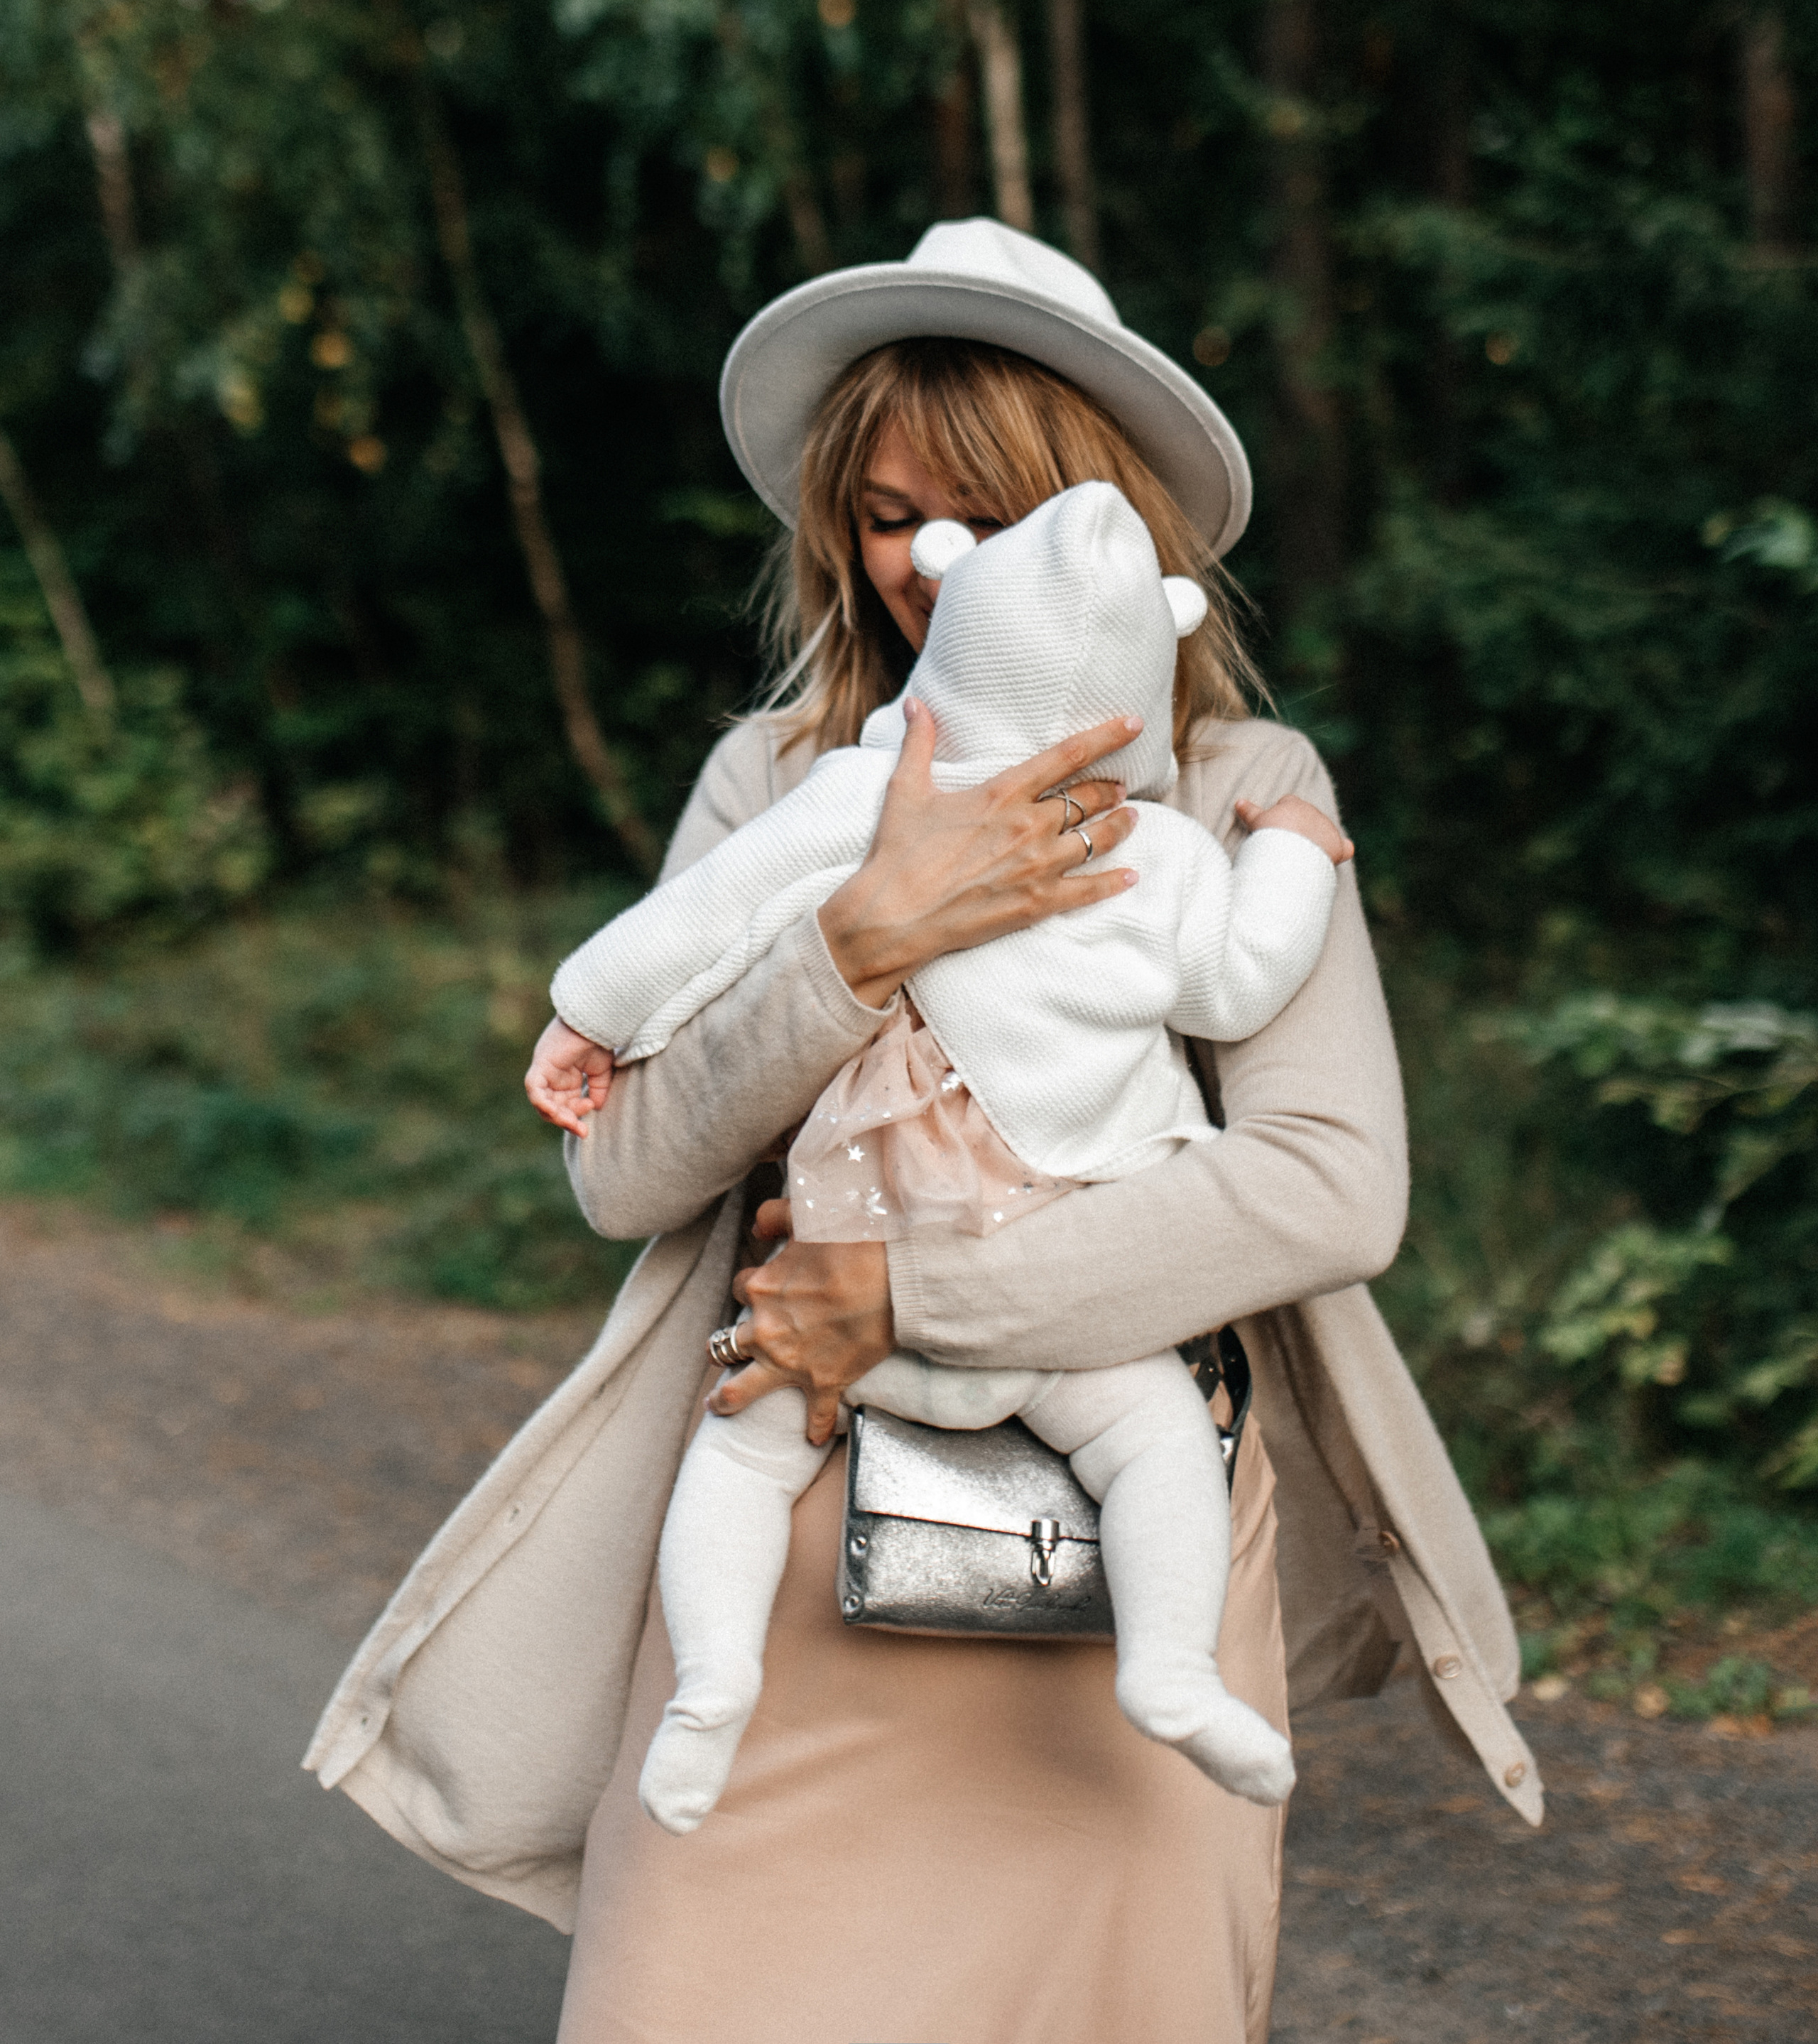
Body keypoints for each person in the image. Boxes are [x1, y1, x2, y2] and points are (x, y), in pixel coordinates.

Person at [305, 219, 1542, 2044]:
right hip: (789, 1542)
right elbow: (623, 1172)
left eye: (980, 507)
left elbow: (1329, 1185)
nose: (919, 559)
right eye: (885, 512)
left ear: (1103, 521)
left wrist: (912, 1290)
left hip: (1132, 1570)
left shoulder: (1242, 797)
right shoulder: (780, 787)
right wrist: (861, 935)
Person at [550, 479, 1351, 1832]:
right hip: (1067, 1284)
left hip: (845, 1266)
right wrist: (1298, 862)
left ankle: (713, 1686)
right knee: (1158, 1447)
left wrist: (585, 1015)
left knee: (740, 1460)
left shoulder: (857, 794)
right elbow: (1240, 982)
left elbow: (701, 921)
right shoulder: (1158, 849)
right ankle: (1168, 1673)